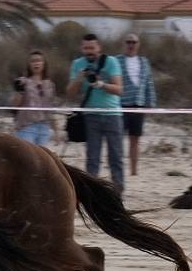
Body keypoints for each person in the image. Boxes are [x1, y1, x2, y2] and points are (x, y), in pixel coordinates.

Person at [67, 33, 124, 194]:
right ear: (81, 48)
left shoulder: (111, 62)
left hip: (113, 114)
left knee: (116, 157)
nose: (89, 51)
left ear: (99, 47)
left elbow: (119, 90)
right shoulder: (77, 64)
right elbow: (70, 92)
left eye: (92, 48)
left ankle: (118, 192)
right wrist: (80, 77)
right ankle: (92, 192)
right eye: (86, 48)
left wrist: (101, 84)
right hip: (90, 116)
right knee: (92, 158)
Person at [119, 32, 156, 177]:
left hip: (138, 104)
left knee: (135, 139)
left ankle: (134, 171)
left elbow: (149, 83)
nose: (131, 45)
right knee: (118, 139)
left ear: (138, 44)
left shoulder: (144, 62)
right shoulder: (117, 60)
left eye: (134, 42)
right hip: (121, 105)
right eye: (128, 42)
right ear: (125, 44)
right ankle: (120, 168)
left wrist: (151, 102)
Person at [11, 50, 57, 148]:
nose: (36, 63)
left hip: (44, 127)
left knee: (42, 160)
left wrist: (56, 131)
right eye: (33, 61)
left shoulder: (50, 84)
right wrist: (19, 91)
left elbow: (50, 110)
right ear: (29, 64)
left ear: (44, 63)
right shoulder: (23, 81)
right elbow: (15, 105)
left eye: (39, 60)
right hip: (27, 126)